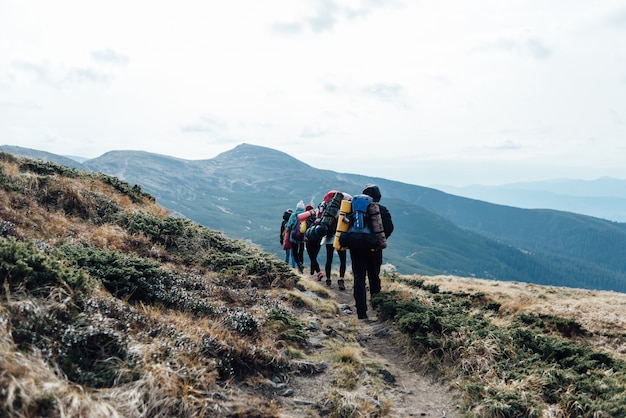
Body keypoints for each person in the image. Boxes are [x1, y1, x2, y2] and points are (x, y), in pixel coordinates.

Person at [349, 184, 394, 320]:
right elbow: (389, 228)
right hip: (374, 248)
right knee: (374, 276)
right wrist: (379, 239)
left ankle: (361, 312)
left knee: (359, 277)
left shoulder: (353, 208)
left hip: (356, 248)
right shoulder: (382, 209)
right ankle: (376, 306)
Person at [323, 214, 347, 290]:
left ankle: (328, 279)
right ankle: (341, 279)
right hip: (340, 239)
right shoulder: (343, 211)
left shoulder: (329, 211)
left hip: (329, 239)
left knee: (329, 259)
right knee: (342, 260)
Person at [285, 200, 306, 273]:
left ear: (297, 208)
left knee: (295, 253)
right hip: (302, 238)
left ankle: (299, 264)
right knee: (301, 252)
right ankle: (301, 268)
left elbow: (289, 225)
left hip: (293, 237)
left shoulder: (294, 215)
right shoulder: (305, 215)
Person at [304, 204, 324, 280]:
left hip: (309, 240)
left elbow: (303, 230)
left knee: (312, 257)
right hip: (318, 240)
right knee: (314, 257)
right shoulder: (317, 217)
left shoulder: (305, 219)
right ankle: (312, 273)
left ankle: (318, 272)